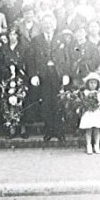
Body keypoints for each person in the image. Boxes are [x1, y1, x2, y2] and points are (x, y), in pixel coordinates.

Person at [30, 13, 71, 142]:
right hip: (44, 74)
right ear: (42, 25)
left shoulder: (61, 39)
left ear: (54, 25)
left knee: (58, 101)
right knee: (46, 102)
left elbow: (67, 58)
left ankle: (59, 130)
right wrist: (34, 75)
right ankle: (49, 130)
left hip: (57, 74)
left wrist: (65, 74)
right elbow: (31, 59)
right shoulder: (36, 40)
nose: (48, 26)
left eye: (50, 23)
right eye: (45, 23)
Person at [79, 72, 100, 154]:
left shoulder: (99, 92)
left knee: (96, 129)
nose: (93, 85)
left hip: (97, 113)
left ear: (97, 84)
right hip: (88, 113)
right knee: (88, 129)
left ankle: (96, 145)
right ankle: (89, 145)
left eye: (95, 83)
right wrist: (85, 105)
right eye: (91, 82)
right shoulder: (85, 92)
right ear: (88, 83)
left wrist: (99, 104)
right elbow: (83, 102)